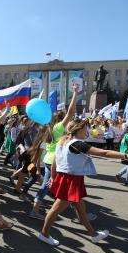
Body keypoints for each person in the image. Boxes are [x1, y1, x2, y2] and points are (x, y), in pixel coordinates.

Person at [38, 119, 128, 246]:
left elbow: (55, 161)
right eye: (85, 128)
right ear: (79, 129)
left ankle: (93, 235)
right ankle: (44, 234)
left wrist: (53, 178)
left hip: (68, 178)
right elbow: (105, 153)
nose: (87, 131)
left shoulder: (63, 141)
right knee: (56, 209)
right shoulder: (77, 144)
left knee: (81, 209)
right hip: (70, 179)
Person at [29, 83, 78, 220]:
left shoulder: (48, 128)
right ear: (59, 120)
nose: (67, 120)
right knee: (65, 187)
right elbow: (71, 112)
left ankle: (79, 213)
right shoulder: (57, 128)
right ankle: (79, 214)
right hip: (56, 161)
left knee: (55, 187)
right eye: (64, 119)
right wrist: (75, 93)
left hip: (51, 160)